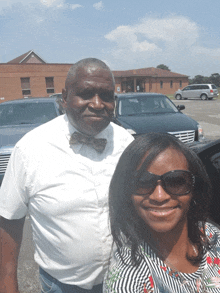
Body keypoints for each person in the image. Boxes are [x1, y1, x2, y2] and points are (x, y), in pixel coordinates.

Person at [0, 58, 134, 293]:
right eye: (85, 93)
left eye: (106, 95)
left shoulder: (127, 143)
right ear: (64, 97)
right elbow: (9, 219)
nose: (96, 103)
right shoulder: (31, 149)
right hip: (62, 286)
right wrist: (7, 284)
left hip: (127, 280)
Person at [104, 133, 220, 293]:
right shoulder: (129, 282)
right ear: (126, 193)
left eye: (176, 181)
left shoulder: (211, 234)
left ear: (194, 188)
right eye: (142, 182)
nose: (159, 196)